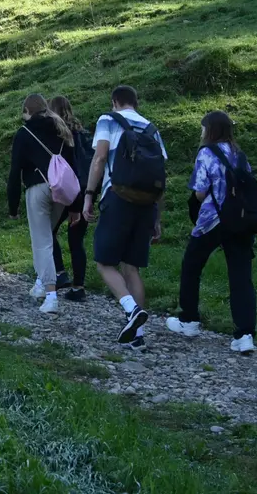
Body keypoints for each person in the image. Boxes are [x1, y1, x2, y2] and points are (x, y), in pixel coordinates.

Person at [165, 111, 257, 354]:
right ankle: (244, 334)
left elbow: (199, 191)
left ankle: (189, 320)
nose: (201, 132)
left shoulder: (206, 154)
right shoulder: (240, 155)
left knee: (192, 265)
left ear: (211, 130)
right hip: (240, 221)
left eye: (203, 128)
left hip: (211, 220)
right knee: (240, 276)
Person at [82, 85, 167, 346]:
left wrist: (88, 195)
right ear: (136, 102)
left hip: (117, 198)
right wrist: (157, 217)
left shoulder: (108, 119)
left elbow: (100, 158)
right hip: (146, 203)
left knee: (104, 263)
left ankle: (132, 310)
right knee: (132, 267)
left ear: (115, 101)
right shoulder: (151, 127)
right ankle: (137, 337)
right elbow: (161, 175)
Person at [7, 94, 74, 313]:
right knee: (48, 236)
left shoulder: (24, 133)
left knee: (42, 241)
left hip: (38, 188)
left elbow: (15, 172)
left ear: (27, 110)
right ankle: (39, 284)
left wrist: (13, 206)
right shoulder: (61, 128)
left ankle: (51, 295)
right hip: (63, 191)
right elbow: (74, 163)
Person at [49, 95, 92, 302]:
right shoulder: (84, 133)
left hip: (65, 191)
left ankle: (59, 273)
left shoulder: (58, 134)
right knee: (76, 241)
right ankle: (79, 287)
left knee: (49, 231)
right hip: (85, 191)